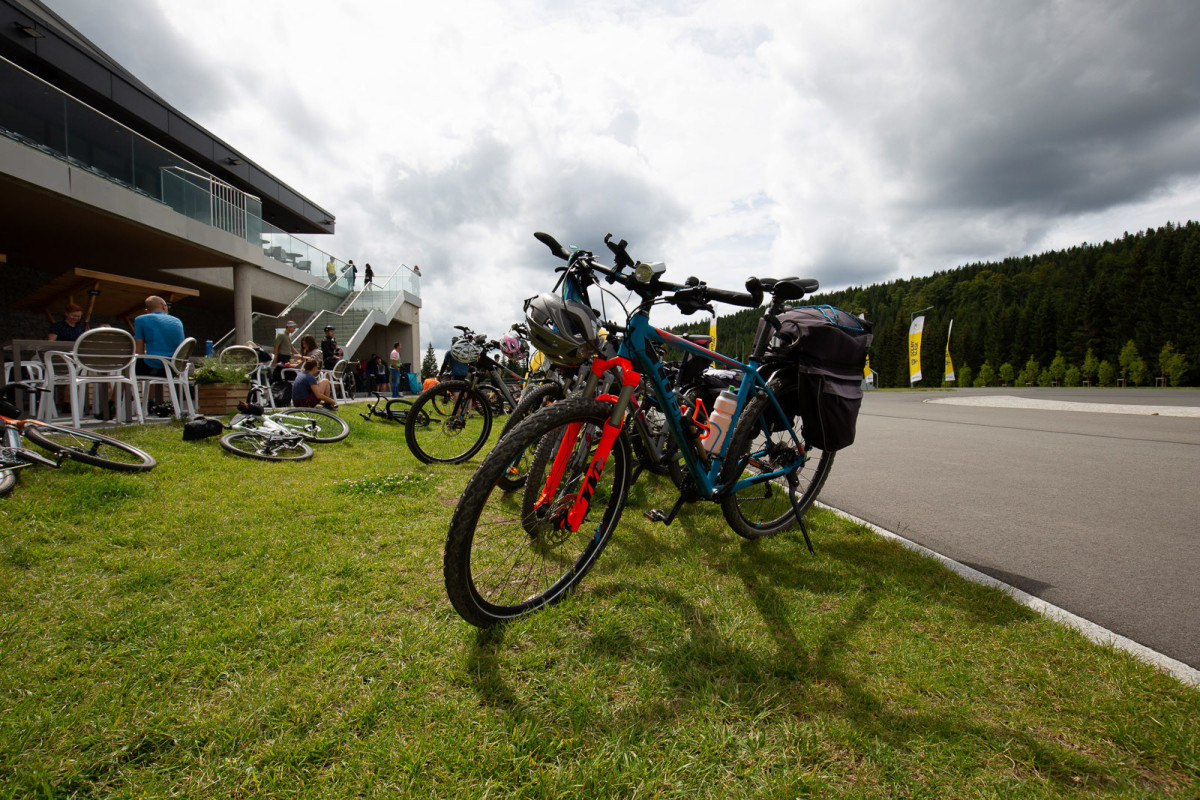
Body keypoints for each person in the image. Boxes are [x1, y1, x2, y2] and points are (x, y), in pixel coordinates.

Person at [133, 295, 185, 377]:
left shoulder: (140, 319)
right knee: (150, 359)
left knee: (125, 368)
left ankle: (119, 390)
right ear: (164, 306)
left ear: (147, 311)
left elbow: (139, 352)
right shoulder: (177, 321)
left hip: (153, 368)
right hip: (174, 369)